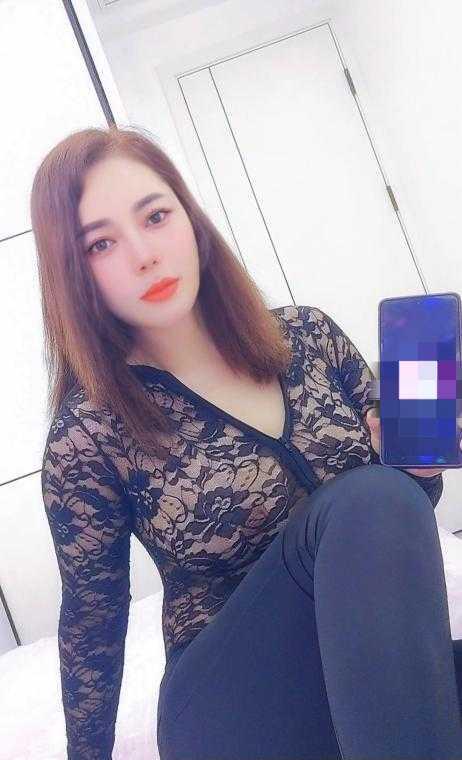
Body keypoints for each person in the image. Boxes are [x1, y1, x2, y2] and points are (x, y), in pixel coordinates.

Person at [35, 125, 462, 760]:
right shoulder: (89, 433)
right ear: (75, 275)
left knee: (382, 497)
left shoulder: (309, 337)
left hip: (350, 668)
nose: (143, 255)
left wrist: (420, 471)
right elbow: (92, 620)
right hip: (230, 705)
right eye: (101, 243)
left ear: (191, 220)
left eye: (155, 216)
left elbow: (391, 525)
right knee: (371, 494)